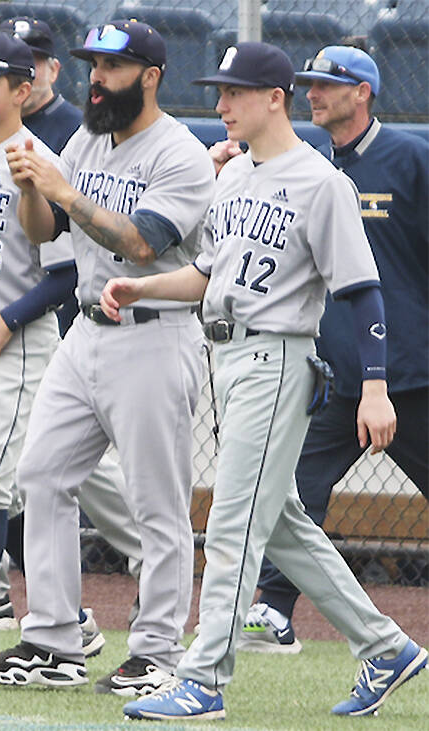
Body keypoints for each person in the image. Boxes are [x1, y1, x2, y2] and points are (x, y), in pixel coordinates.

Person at [97, 42, 427, 720]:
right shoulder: (234, 176)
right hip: (229, 356)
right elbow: (209, 275)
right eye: (220, 93)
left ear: (273, 97)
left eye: (234, 93)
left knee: (231, 523)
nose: (220, 106)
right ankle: (385, 646)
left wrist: (373, 386)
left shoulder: (321, 181)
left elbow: (363, 293)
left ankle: (205, 676)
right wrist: (142, 287)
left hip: (278, 356)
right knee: (277, 524)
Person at [0, 19, 215, 693]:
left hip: (155, 333)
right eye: (93, 65)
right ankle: (52, 640)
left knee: (157, 504)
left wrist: (63, 186)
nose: (95, 79)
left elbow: (142, 243)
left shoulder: (180, 153)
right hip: (88, 333)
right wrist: (29, 186)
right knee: (40, 473)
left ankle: (159, 650)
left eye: (112, 67)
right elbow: (47, 229)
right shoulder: (86, 138)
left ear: (151, 76)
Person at [0, 18, 143, 658]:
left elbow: (64, 272)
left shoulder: (46, 163)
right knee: (7, 486)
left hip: (14, 345)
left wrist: (5, 319)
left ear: (23, 87)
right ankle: (67, 615)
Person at [241, 45, 429, 656]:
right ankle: (272, 610)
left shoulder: (411, 159)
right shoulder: (306, 164)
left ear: (363, 93)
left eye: (327, 84)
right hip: (336, 375)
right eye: (310, 84)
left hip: (415, 374)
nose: (313, 93)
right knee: (291, 491)